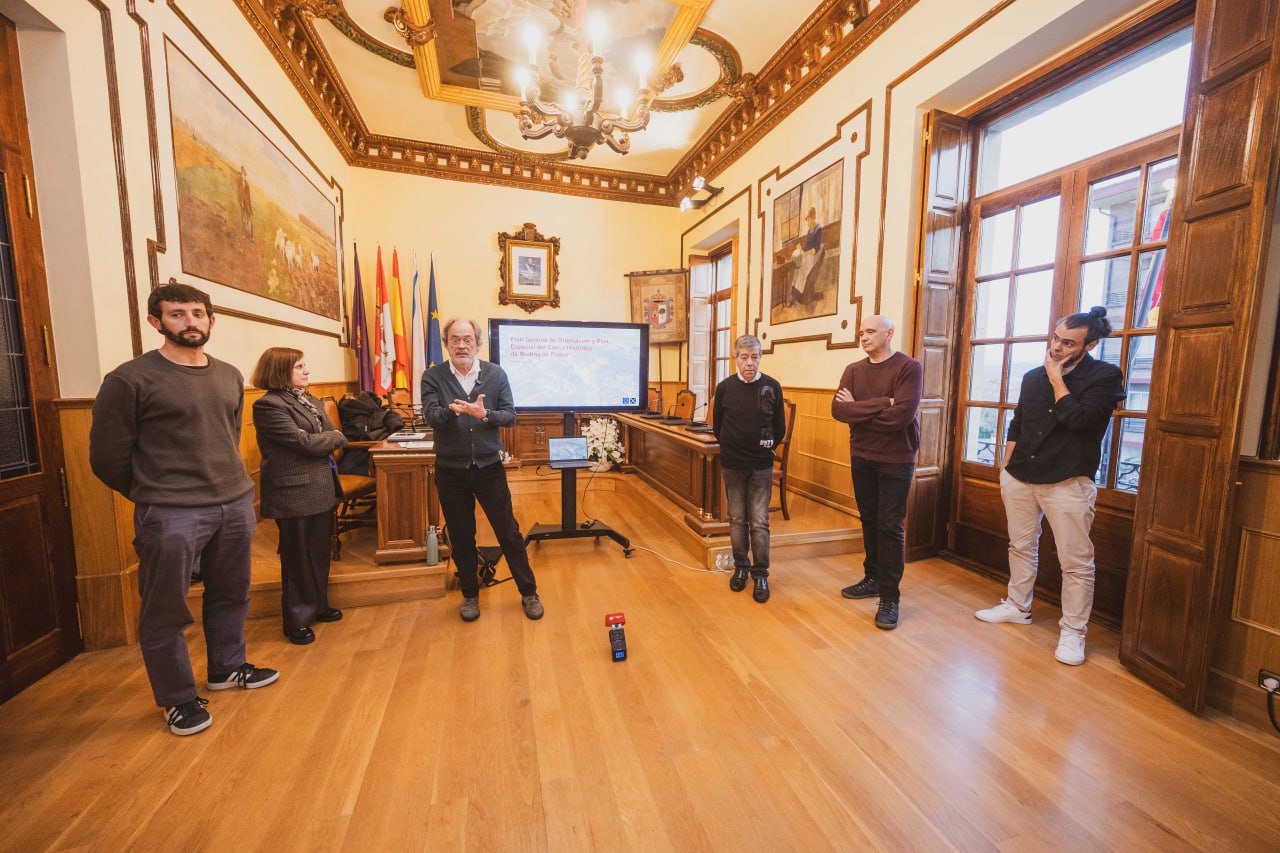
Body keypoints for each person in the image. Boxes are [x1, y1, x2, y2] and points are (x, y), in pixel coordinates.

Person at [89, 283, 278, 737]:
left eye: (197, 313)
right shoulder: (129, 379)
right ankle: (177, 698)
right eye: (177, 314)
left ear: (211, 320)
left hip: (233, 502)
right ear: (156, 321)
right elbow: (106, 457)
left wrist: (233, 491)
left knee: (232, 592)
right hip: (170, 511)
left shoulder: (229, 374)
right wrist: (153, 493)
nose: (189, 322)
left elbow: (228, 434)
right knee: (166, 609)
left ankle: (226, 668)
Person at [975, 307, 1124, 666]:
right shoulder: (1032, 376)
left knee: (1075, 562)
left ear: (1090, 345)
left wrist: (1057, 379)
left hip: (1068, 480)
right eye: (1056, 338)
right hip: (1020, 475)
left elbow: (1080, 420)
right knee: (1021, 546)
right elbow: (1018, 422)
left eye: (1068, 343)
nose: (1056, 347)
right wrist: (1006, 466)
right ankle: (1018, 606)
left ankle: (1073, 632)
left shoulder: (1104, 376)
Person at [421, 318, 543, 623]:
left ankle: (529, 592)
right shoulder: (432, 376)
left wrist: (484, 414)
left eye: (467, 339)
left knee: (509, 533)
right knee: (461, 536)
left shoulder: (495, 374)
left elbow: (510, 416)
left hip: (489, 468)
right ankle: (469, 595)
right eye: (454, 339)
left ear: (477, 343)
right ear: (446, 344)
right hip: (450, 471)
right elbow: (431, 417)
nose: (461, 345)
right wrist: (453, 411)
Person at [251, 347, 348, 645]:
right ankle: (296, 620)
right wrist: (329, 439)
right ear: (280, 370)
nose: (307, 371)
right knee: (297, 557)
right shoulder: (268, 405)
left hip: (320, 486)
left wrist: (327, 438)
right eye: (299, 367)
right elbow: (304, 442)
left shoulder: (309, 399)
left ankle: (318, 605)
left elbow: (334, 434)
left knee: (318, 550)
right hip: (292, 491)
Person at [831, 315, 923, 630]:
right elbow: (838, 410)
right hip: (861, 455)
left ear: (889, 333)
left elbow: (902, 416)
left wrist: (858, 410)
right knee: (869, 519)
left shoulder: (909, 368)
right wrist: (884, 402)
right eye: (862, 332)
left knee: (890, 526)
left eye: (870, 331)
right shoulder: (853, 370)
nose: (864, 337)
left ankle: (889, 596)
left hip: (896, 458)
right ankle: (872, 578)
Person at [713, 335, 787, 603]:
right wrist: (734, 447)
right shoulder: (724, 388)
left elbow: (779, 428)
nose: (749, 363)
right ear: (736, 359)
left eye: (754, 357)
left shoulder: (772, 386)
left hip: (760, 466)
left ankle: (760, 574)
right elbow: (718, 426)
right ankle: (741, 568)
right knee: (736, 519)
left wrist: (765, 450)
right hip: (733, 464)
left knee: (759, 521)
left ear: (760, 358)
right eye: (744, 357)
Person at [788, 207, 823, 307]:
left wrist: (805, 253)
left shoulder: (818, 229)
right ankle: (794, 295)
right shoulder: (809, 231)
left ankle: (796, 296)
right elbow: (808, 244)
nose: (808, 222)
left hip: (815, 254)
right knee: (797, 269)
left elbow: (816, 247)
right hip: (808, 253)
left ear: (814, 218)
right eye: (807, 220)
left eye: (809, 219)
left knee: (803, 270)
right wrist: (801, 249)